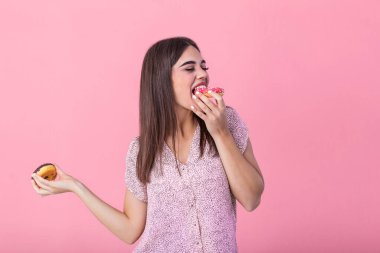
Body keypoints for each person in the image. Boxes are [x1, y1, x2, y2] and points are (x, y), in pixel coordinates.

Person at [31, 36, 265, 252]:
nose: (202, 74)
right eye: (189, 68)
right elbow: (130, 230)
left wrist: (220, 132)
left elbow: (251, 199)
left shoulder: (228, 121)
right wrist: (75, 186)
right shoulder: (142, 151)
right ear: (162, 80)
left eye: (203, 66)